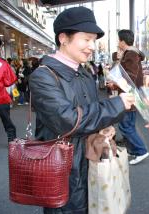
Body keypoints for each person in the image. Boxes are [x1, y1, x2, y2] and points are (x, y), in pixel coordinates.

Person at [28, 7, 134, 213]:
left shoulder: (84, 73)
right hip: (63, 170)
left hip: (91, 163)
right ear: (63, 38)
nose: (91, 46)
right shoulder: (43, 76)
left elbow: (92, 111)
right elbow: (66, 121)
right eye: (86, 39)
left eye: (93, 40)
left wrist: (106, 128)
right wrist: (117, 105)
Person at [117, 29, 149, 165]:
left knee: (125, 126)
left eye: (118, 40)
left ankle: (141, 151)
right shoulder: (130, 53)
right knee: (128, 125)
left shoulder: (131, 54)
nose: (117, 42)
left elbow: (130, 75)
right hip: (132, 95)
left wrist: (116, 81)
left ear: (123, 41)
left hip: (129, 96)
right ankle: (133, 150)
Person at [0, 35, 17, 142]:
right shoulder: (3, 64)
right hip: (0, 99)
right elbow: (9, 81)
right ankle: (12, 143)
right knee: (8, 123)